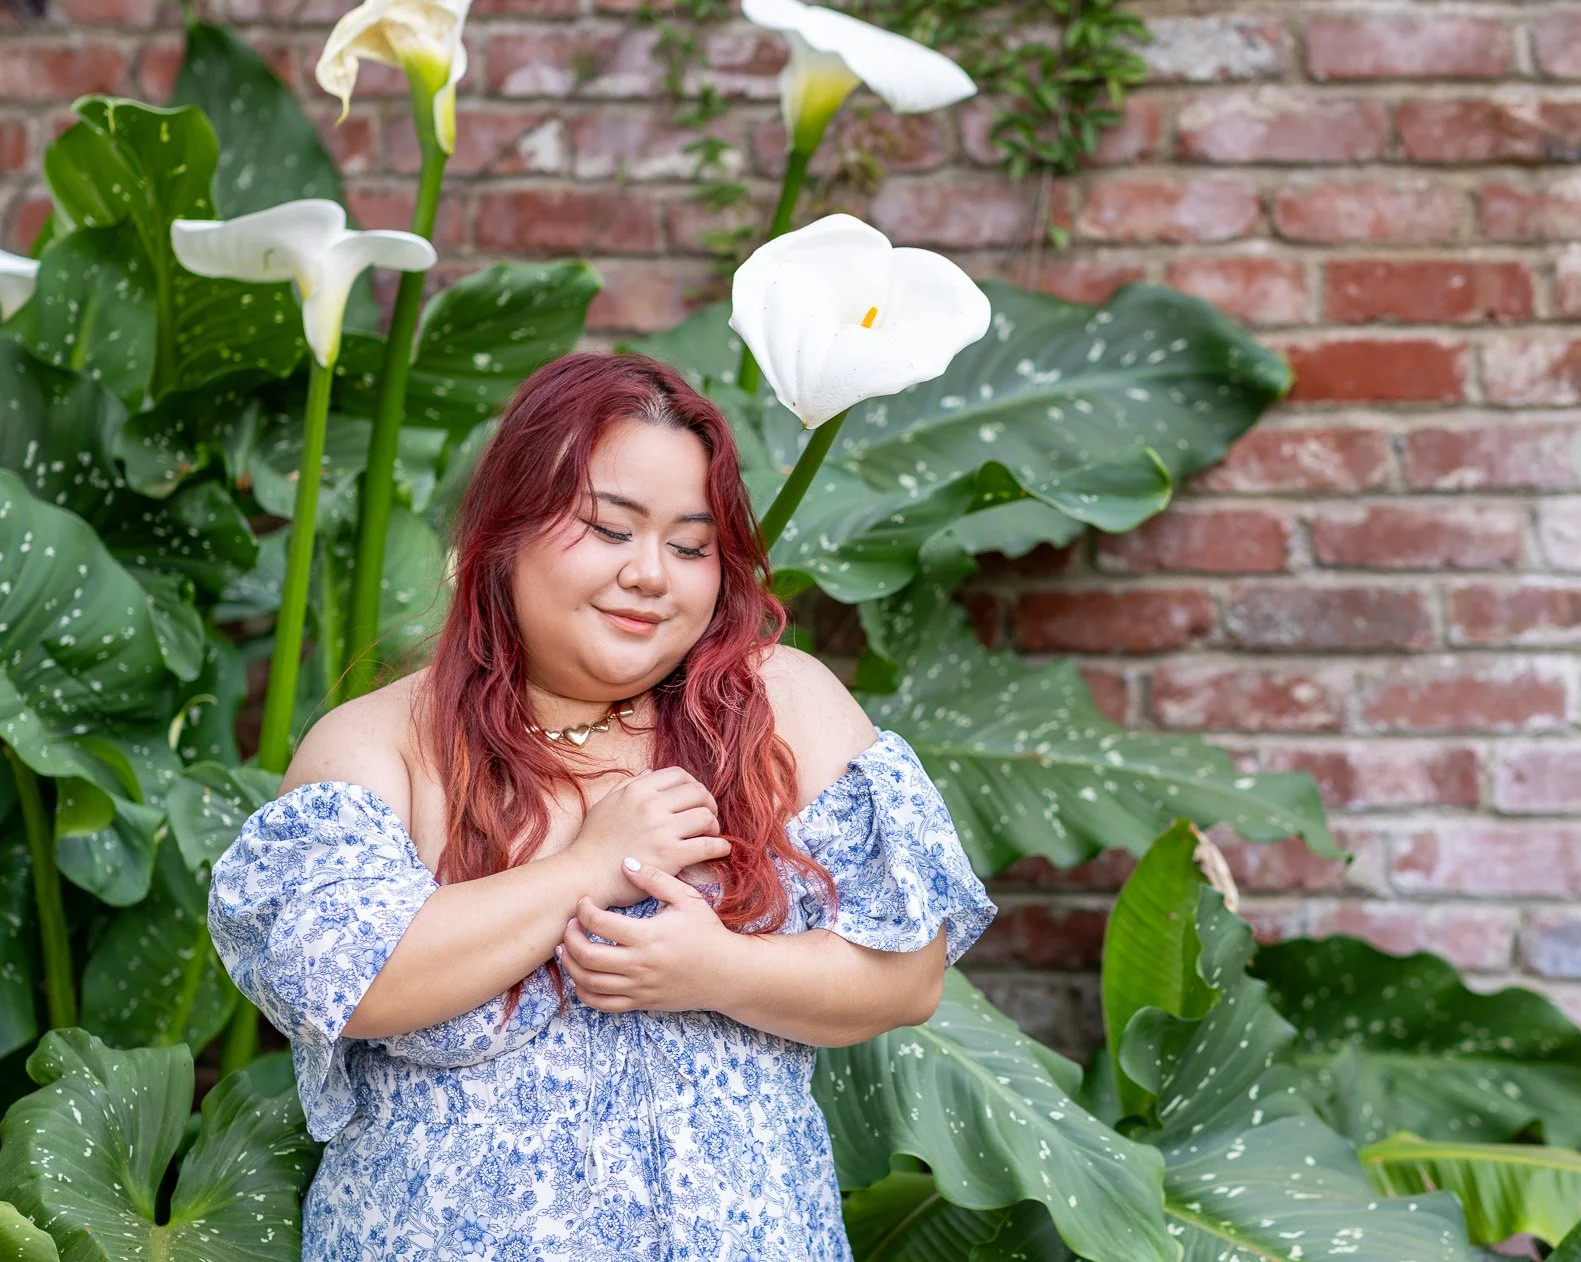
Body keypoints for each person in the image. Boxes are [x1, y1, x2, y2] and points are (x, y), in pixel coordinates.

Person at [206, 351, 997, 1259]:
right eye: (610, 529)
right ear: (506, 532)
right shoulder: (386, 741)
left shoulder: (783, 707)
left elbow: (908, 974)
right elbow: (346, 981)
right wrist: (584, 868)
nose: (652, 574)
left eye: (691, 545)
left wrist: (717, 972)